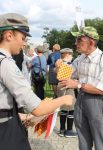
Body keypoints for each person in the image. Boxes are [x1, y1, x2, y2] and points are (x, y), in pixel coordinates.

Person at [0, 13, 73, 150]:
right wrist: (64, 99)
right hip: (6, 133)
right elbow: (38, 109)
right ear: (9, 35)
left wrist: (23, 116)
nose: (24, 43)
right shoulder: (6, 63)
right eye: (23, 38)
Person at [59, 26, 103, 150]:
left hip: (98, 101)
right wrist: (60, 65)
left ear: (91, 42)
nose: (75, 43)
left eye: (79, 40)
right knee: (83, 140)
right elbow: (65, 75)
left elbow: (101, 90)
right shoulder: (80, 58)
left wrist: (78, 84)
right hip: (82, 99)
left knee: (100, 141)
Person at [57, 48, 77, 138]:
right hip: (67, 87)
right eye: (71, 55)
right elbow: (67, 76)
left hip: (61, 87)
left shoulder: (59, 64)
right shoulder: (67, 64)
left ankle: (62, 129)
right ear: (68, 55)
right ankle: (69, 130)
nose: (72, 57)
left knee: (63, 108)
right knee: (71, 108)